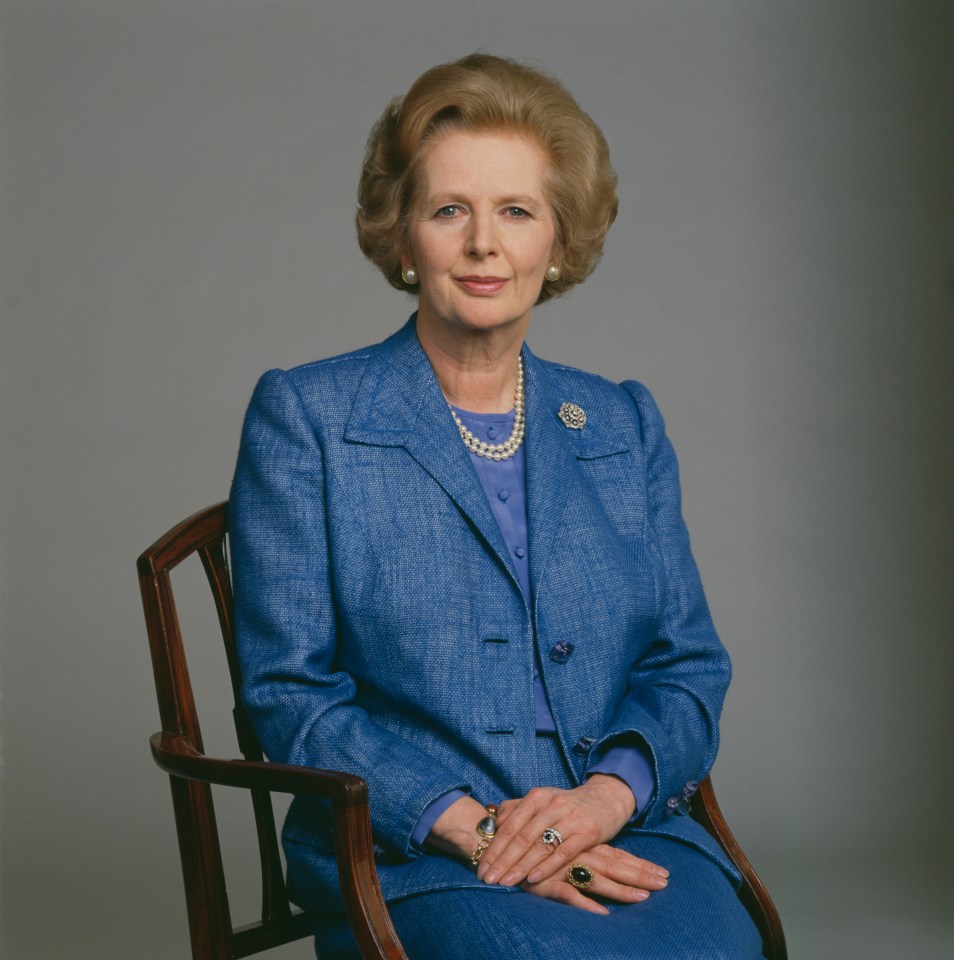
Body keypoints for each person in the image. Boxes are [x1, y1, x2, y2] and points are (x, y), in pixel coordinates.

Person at [229, 53, 764, 959]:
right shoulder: (310, 417)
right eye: (450, 211)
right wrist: (481, 833)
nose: (485, 244)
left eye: (516, 211)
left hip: (617, 831)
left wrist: (598, 806)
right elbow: (291, 694)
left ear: (559, 242)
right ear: (402, 238)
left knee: (720, 946)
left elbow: (687, 666)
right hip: (407, 851)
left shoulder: (620, 422)